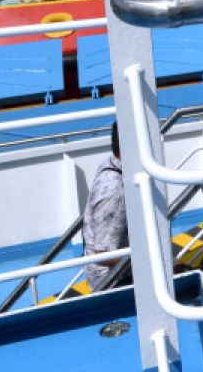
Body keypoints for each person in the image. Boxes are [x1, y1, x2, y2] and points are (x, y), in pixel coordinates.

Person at [82, 122, 128, 290]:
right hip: (111, 279)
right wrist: (149, 264)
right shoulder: (114, 193)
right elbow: (104, 255)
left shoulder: (111, 162)